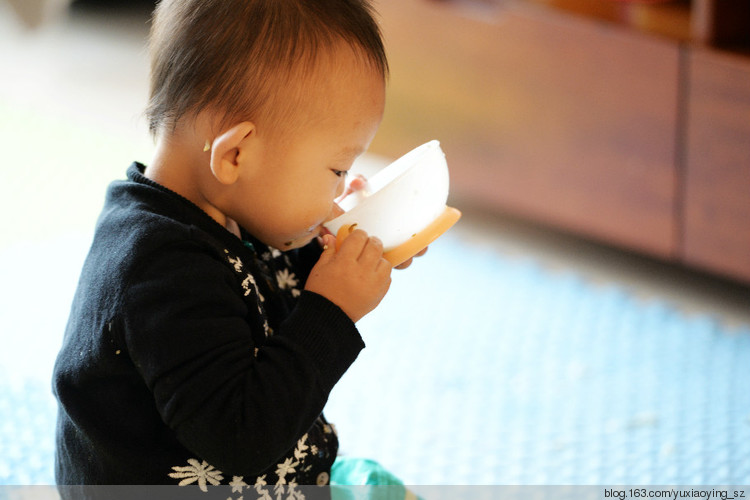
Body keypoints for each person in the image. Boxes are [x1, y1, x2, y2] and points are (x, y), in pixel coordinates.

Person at [53, 0, 419, 495]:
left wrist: (345, 252)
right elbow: (243, 438)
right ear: (236, 154)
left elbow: (264, 284)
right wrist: (331, 310)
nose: (343, 186)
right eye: (336, 170)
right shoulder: (159, 270)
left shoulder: (226, 207)